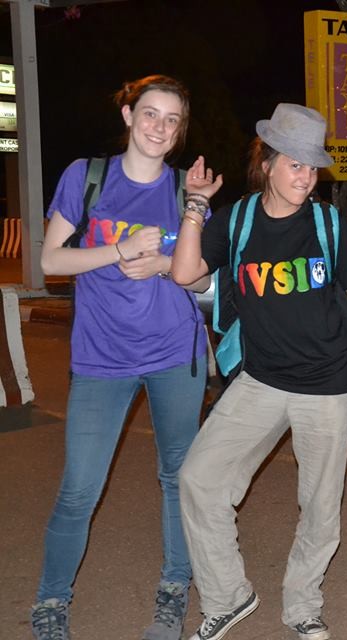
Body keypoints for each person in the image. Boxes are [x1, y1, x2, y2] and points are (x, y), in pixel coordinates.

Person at [171, 103, 347, 640]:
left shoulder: (329, 223)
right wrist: (195, 206)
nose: (305, 176)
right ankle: (229, 596)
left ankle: (303, 606)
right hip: (260, 381)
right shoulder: (238, 220)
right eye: (294, 164)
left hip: (331, 388)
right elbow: (184, 274)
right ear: (267, 163)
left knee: (318, 508)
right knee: (200, 481)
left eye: (312, 167)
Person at [31, 74, 210, 640]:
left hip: (174, 354)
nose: (159, 127)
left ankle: (174, 589)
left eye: (172, 119)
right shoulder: (87, 177)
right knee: (79, 487)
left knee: (179, 478)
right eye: (150, 114)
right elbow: (52, 263)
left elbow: (204, 275)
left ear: (180, 131)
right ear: (129, 115)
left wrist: (166, 258)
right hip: (101, 357)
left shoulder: (187, 189)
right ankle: (52, 600)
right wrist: (118, 250)